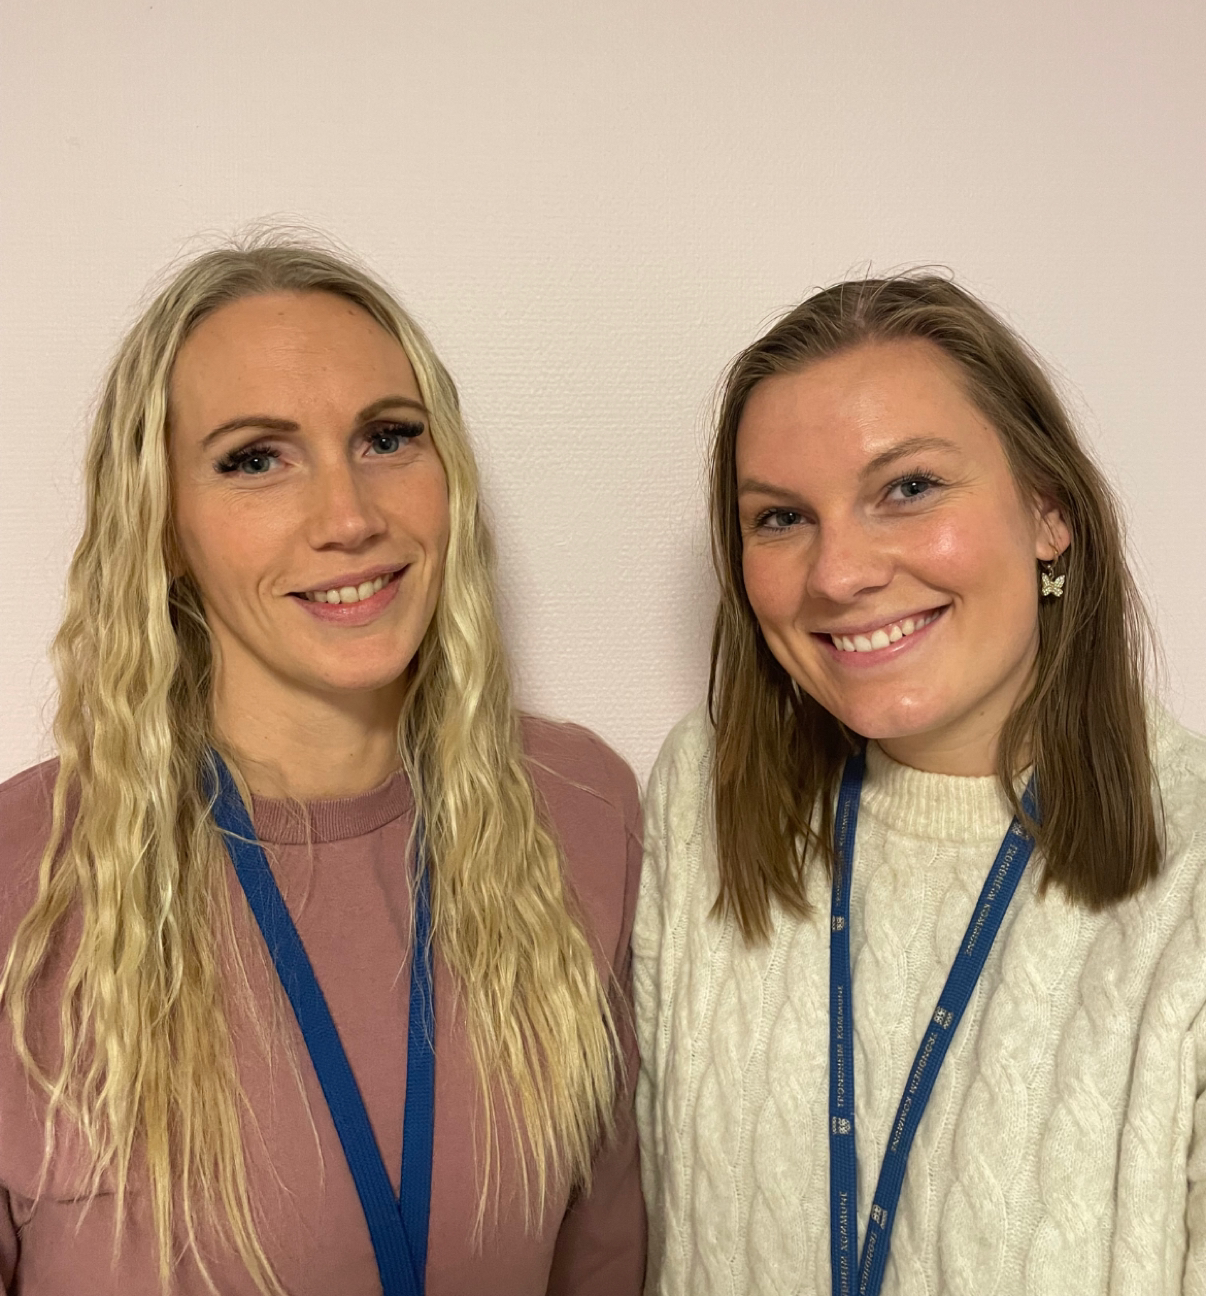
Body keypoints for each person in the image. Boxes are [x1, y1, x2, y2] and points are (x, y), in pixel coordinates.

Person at [0, 237, 645, 1295]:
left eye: (389, 438)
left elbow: (605, 1258)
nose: (349, 518)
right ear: (161, 523)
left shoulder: (580, 810)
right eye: (255, 459)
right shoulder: (22, 881)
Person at [634, 273, 1206, 1296]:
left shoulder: (1190, 885)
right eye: (781, 518)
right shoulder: (698, 796)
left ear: (1048, 511)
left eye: (908, 488)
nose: (838, 573)